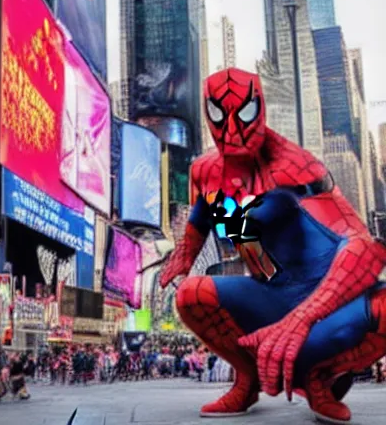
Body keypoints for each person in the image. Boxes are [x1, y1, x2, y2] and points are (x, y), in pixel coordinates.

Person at [159, 68, 386, 423]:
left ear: (260, 108)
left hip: (322, 298)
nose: (232, 132)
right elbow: (211, 215)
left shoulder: (297, 169)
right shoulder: (206, 172)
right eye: (220, 115)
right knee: (191, 294)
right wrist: (187, 249)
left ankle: (320, 379)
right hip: (273, 290)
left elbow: (363, 248)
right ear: (208, 114)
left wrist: (302, 318)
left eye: (244, 114)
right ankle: (247, 379)